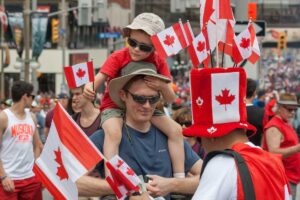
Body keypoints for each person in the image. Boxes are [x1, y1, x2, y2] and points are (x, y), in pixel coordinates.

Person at [77, 62, 201, 200]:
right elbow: (71, 180)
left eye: (153, 99)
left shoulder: (170, 136)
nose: (147, 106)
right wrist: (129, 187)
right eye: (140, 98)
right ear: (123, 95)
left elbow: (209, 176)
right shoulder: (105, 137)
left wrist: (172, 184)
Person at [83, 13, 184, 178]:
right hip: (113, 107)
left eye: (144, 47)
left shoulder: (159, 61)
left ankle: (179, 177)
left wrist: (162, 86)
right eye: (133, 43)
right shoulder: (118, 56)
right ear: (128, 38)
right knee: (114, 133)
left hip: (146, 106)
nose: (136, 49)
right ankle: (113, 179)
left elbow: (171, 98)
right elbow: (98, 79)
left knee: (176, 130)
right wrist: (89, 86)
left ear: (155, 47)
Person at [184, 68, 291, 200]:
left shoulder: (221, 163)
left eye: (200, 138)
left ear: (212, 136)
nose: (202, 146)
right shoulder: (275, 162)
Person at [0, 81, 43, 200]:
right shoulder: (3, 117)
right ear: (25, 97)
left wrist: (37, 173)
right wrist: (3, 176)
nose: (33, 100)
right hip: (9, 179)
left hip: (31, 179)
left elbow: (37, 145)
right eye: (32, 96)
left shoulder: (32, 117)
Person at [263, 93, 300, 200]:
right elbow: (273, 153)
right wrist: (297, 148)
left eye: (295, 110)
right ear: (279, 108)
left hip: (290, 178)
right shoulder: (274, 126)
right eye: (289, 110)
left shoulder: (285, 123)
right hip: (282, 179)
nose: (292, 113)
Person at [246, 78, 265, 146]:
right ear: (254, 93)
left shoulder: (234, 112)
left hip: (235, 153)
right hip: (255, 152)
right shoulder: (262, 113)